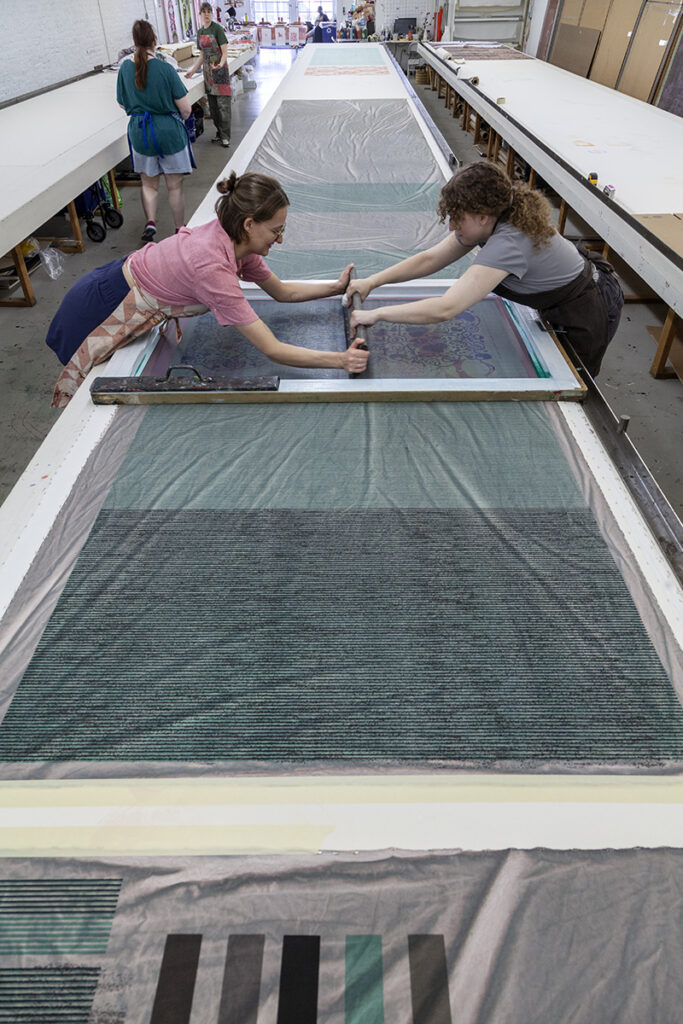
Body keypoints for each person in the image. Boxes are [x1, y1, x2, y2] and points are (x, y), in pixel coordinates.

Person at [46, 172, 369, 407]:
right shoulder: (212, 267)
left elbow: (282, 292)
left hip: (117, 284)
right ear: (248, 224)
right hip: (101, 305)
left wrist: (335, 288)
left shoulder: (237, 244)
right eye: (276, 230)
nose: (281, 239)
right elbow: (272, 348)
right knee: (84, 401)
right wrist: (340, 361)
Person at [348, 162, 624, 378]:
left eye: (457, 219)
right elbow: (430, 259)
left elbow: (447, 308)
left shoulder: (510, 241)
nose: (452, 227)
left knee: (575, 380)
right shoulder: (495, 216)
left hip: (590, 306)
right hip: (567, 293)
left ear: (482, 216)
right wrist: (373, 282)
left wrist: (377, 314)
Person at [117, 20, 194, 243]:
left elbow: (123, 104)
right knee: (174, 185)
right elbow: (186, 108)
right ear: (154, 41)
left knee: (149, 184)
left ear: (134, 42)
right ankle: (180, 229)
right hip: (168, 132)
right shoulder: (165, 68)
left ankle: (150, 223)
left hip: (140, 132)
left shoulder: (124, 68)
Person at [185, 2, 231, 149]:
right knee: (213, 107)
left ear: (212, 13)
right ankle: (219, 133)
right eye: (203, 11)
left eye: (209, 11)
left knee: (223, 106)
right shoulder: (200, 33)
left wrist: (220, 64)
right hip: (208, 74)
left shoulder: (217, 29)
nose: (206, 14)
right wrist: (193, 70)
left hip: (220, 71)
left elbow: (224, 52)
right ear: (200, 15)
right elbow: (202, 55)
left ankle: (226, 137)